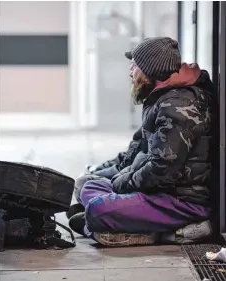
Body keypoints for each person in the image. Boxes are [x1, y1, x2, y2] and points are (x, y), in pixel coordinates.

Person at [67, 37, 214, 247]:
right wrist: (117, 176)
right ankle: (113, 224)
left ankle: (157, 232)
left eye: (135, 65)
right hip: (161, 192)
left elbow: (162, 169)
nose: (130, 70)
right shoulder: (162, 98)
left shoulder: (178, 106)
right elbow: (139, 151)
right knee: (88, 186)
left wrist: (121, 183)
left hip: (183, 201)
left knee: (97, 208)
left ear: (149, 72)